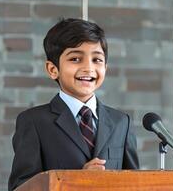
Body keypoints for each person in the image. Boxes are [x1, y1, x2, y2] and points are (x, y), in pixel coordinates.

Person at [8, 18, 139, 191]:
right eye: (76, 59)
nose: (88, 68)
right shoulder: (34, 122)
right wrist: (76, 181)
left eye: (97, 60)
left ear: (105, 68)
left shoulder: (122, 122)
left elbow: (135, 183)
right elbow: (21, 188)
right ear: (53, 69)